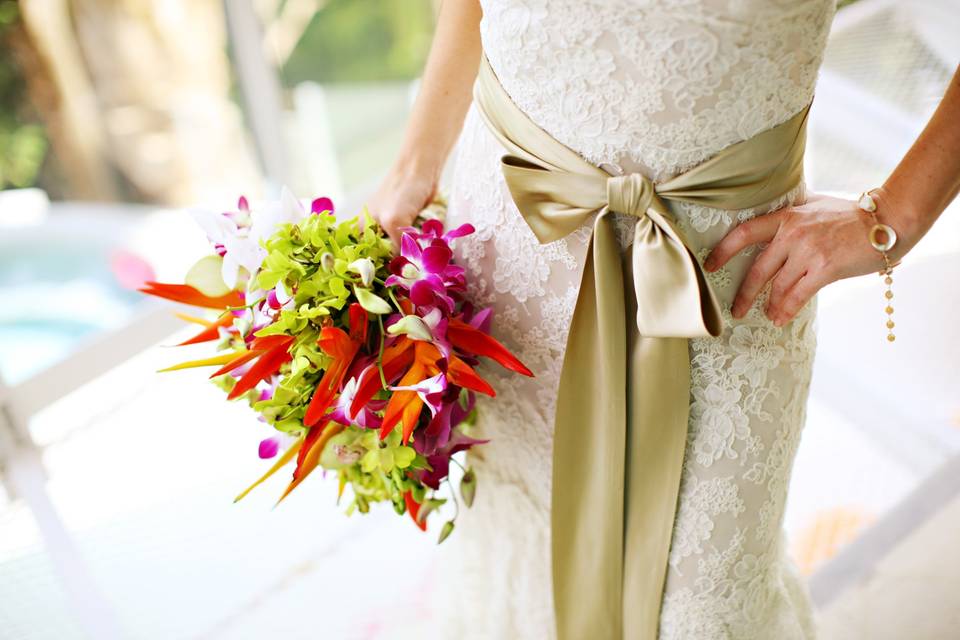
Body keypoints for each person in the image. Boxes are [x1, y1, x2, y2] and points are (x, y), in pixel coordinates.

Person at [368, 1, 960, 638]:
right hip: (509, 255)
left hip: (722, 285)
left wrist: (896, 215)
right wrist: (415, 164)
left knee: (702, 602)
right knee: (518, 557)